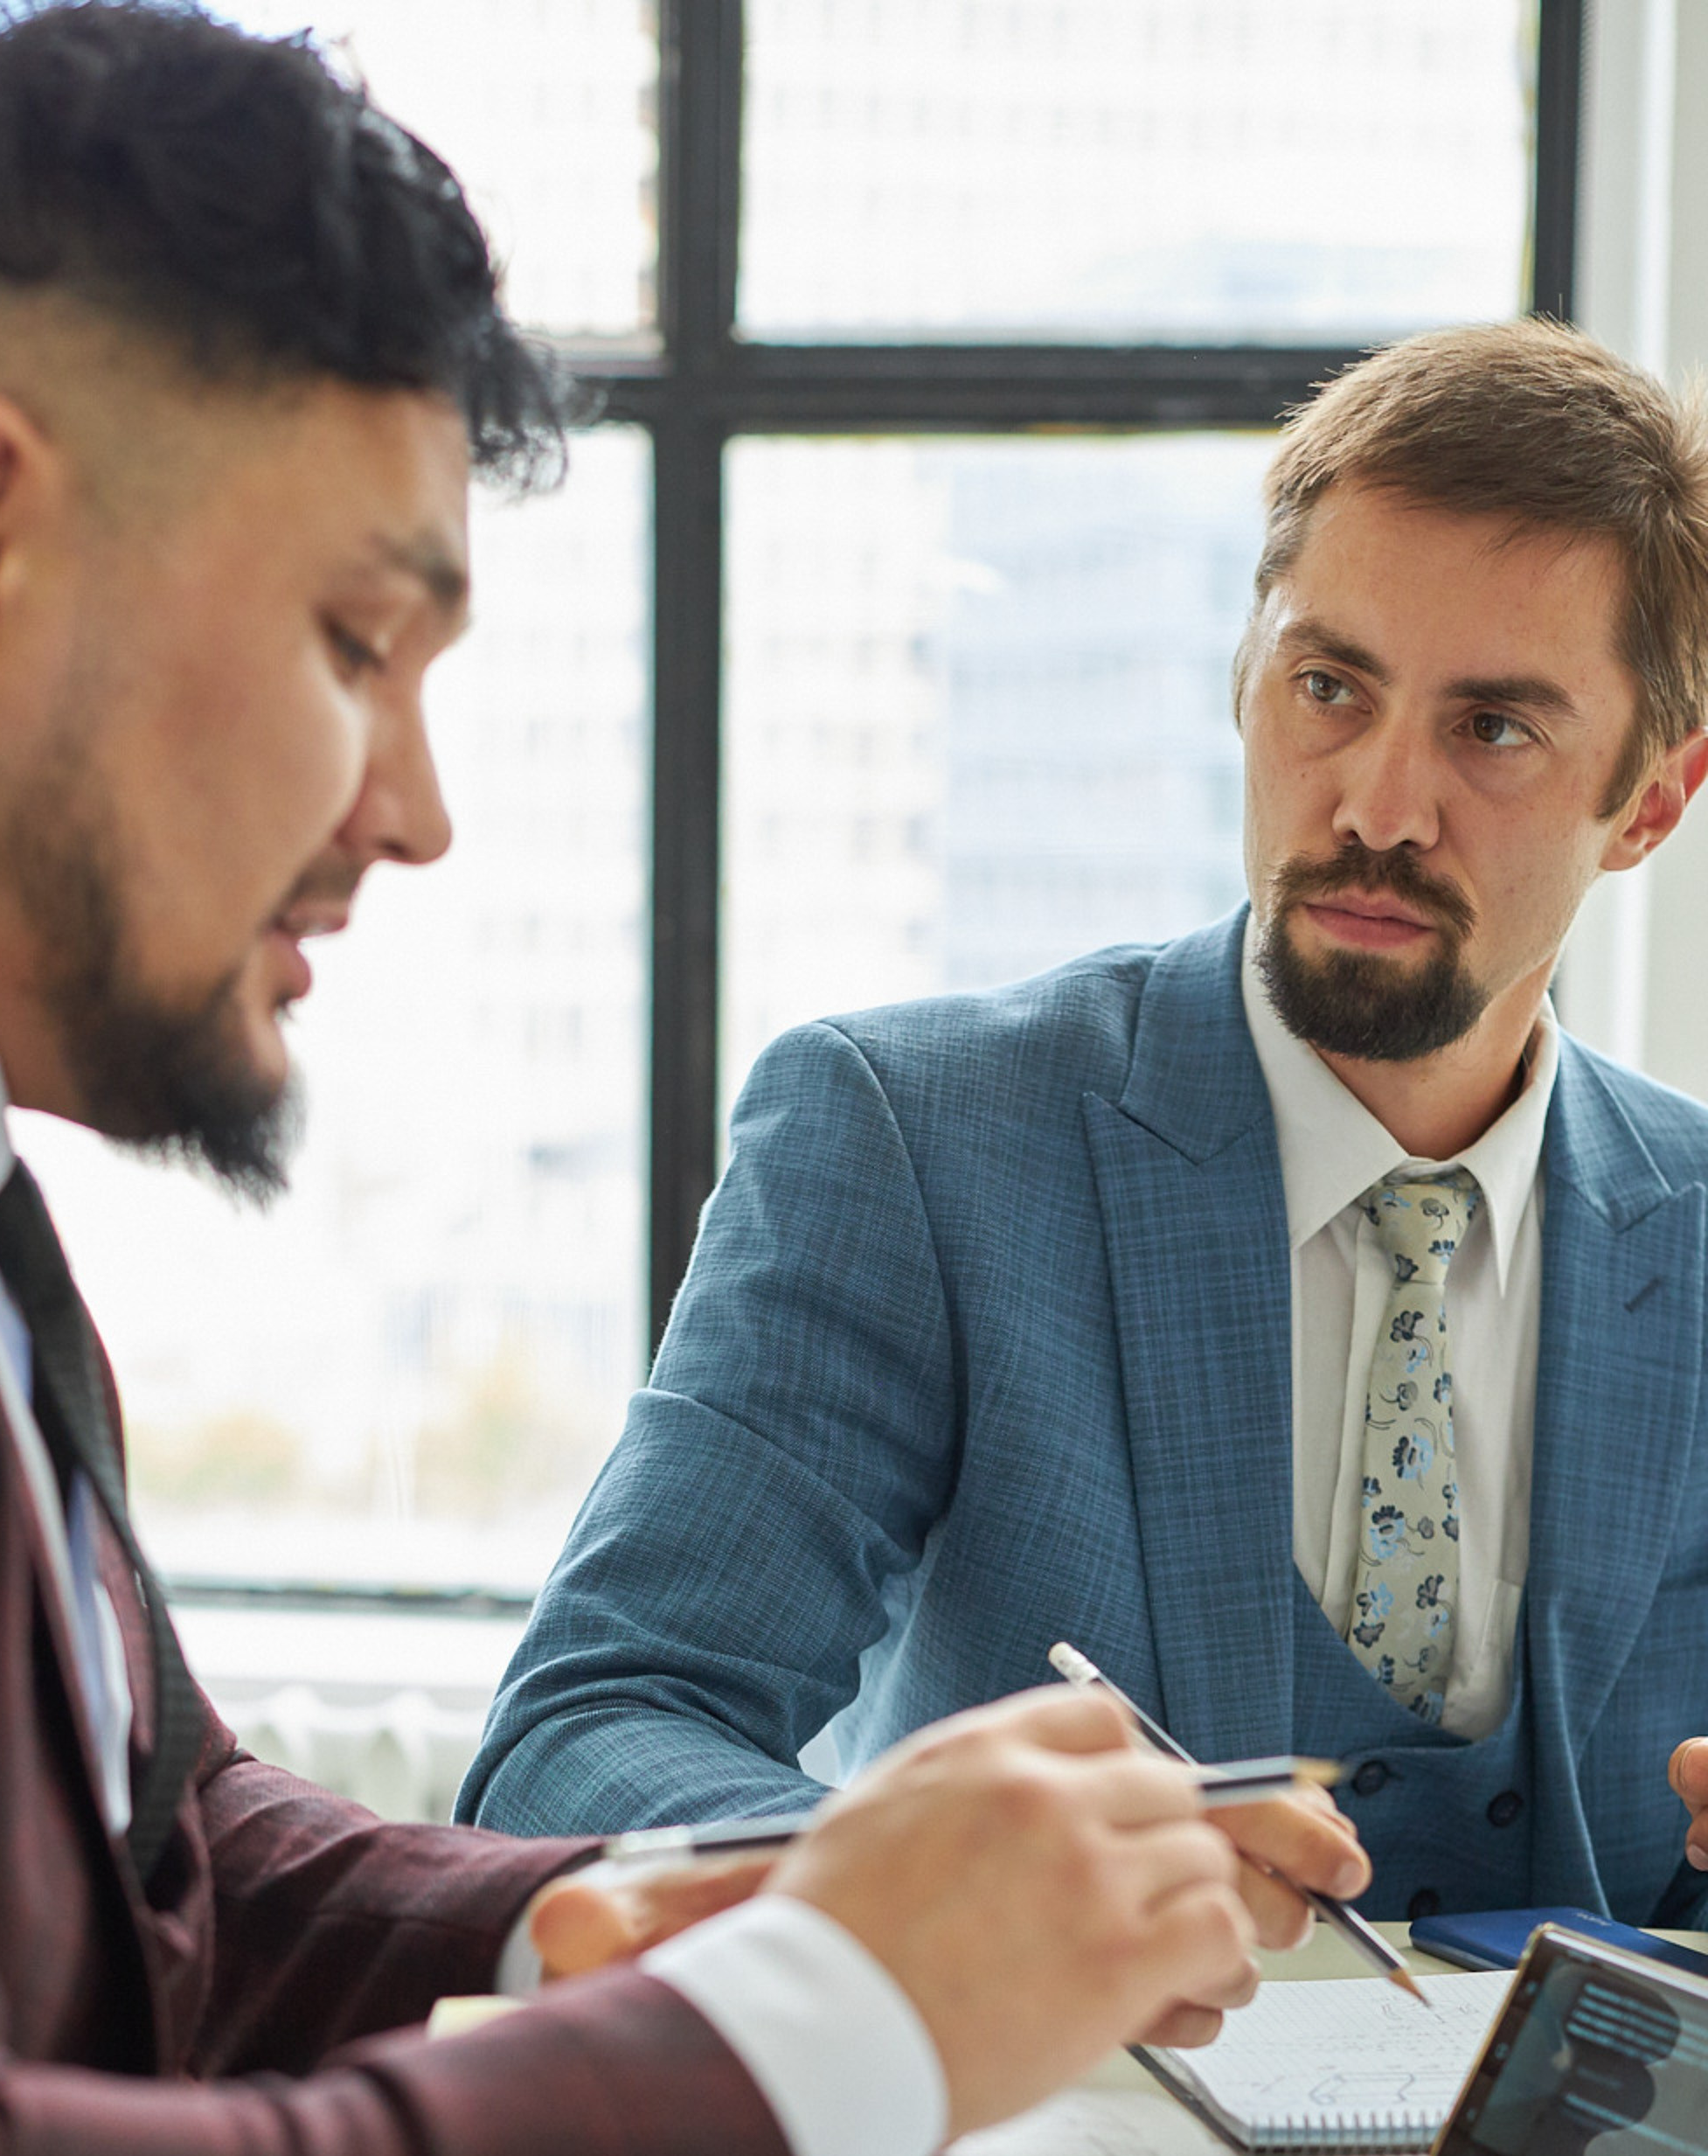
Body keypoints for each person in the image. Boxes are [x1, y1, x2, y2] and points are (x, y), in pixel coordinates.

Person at [0, 7, 1378, 2156]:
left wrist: (708, 1903)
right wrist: (830, 2019)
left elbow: (178, 1851)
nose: (416, 814)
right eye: (357, 645)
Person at [464, 316, 1708, 1938]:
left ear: (1651, 802)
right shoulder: (910, 1143)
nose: (1378, 807)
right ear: (1246, 677)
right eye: (1328, 688)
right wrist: (941, 1893)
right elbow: (580, 1739)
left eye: (1492, 730)